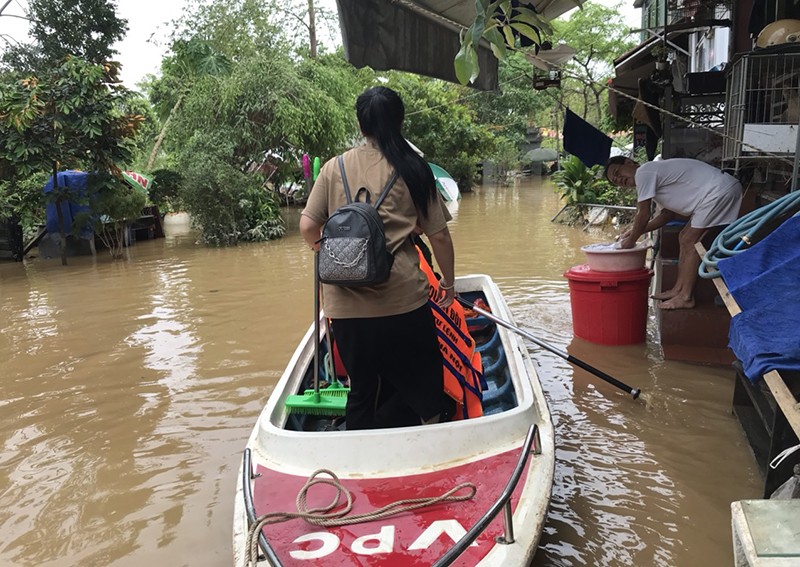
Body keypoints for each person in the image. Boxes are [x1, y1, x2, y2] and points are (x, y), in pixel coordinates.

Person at [299, 86, 456, 430]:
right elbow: (439, 234)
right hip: (402, 300)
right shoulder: (414, 168)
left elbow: (308, 225)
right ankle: (429, 432)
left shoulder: (333, 167)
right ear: (399, 121)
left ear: (361, 123)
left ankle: (358, 454)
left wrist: (327, 252)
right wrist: (449, 281)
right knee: (422, 379)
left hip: (346, 306)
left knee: (362, 388)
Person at [604, 156, 742, 310]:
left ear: (629, 163)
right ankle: (678, 290)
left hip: (718, 191)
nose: (618, 179)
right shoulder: (651, 178)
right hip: (718, 191)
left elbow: (643, 214)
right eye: (615, 181)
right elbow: (665, 216)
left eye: (617, 172)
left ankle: (686, 297)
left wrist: (630, 241)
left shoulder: (644, 172)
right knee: (684, 237)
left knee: (689, 240)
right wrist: (633, 232)